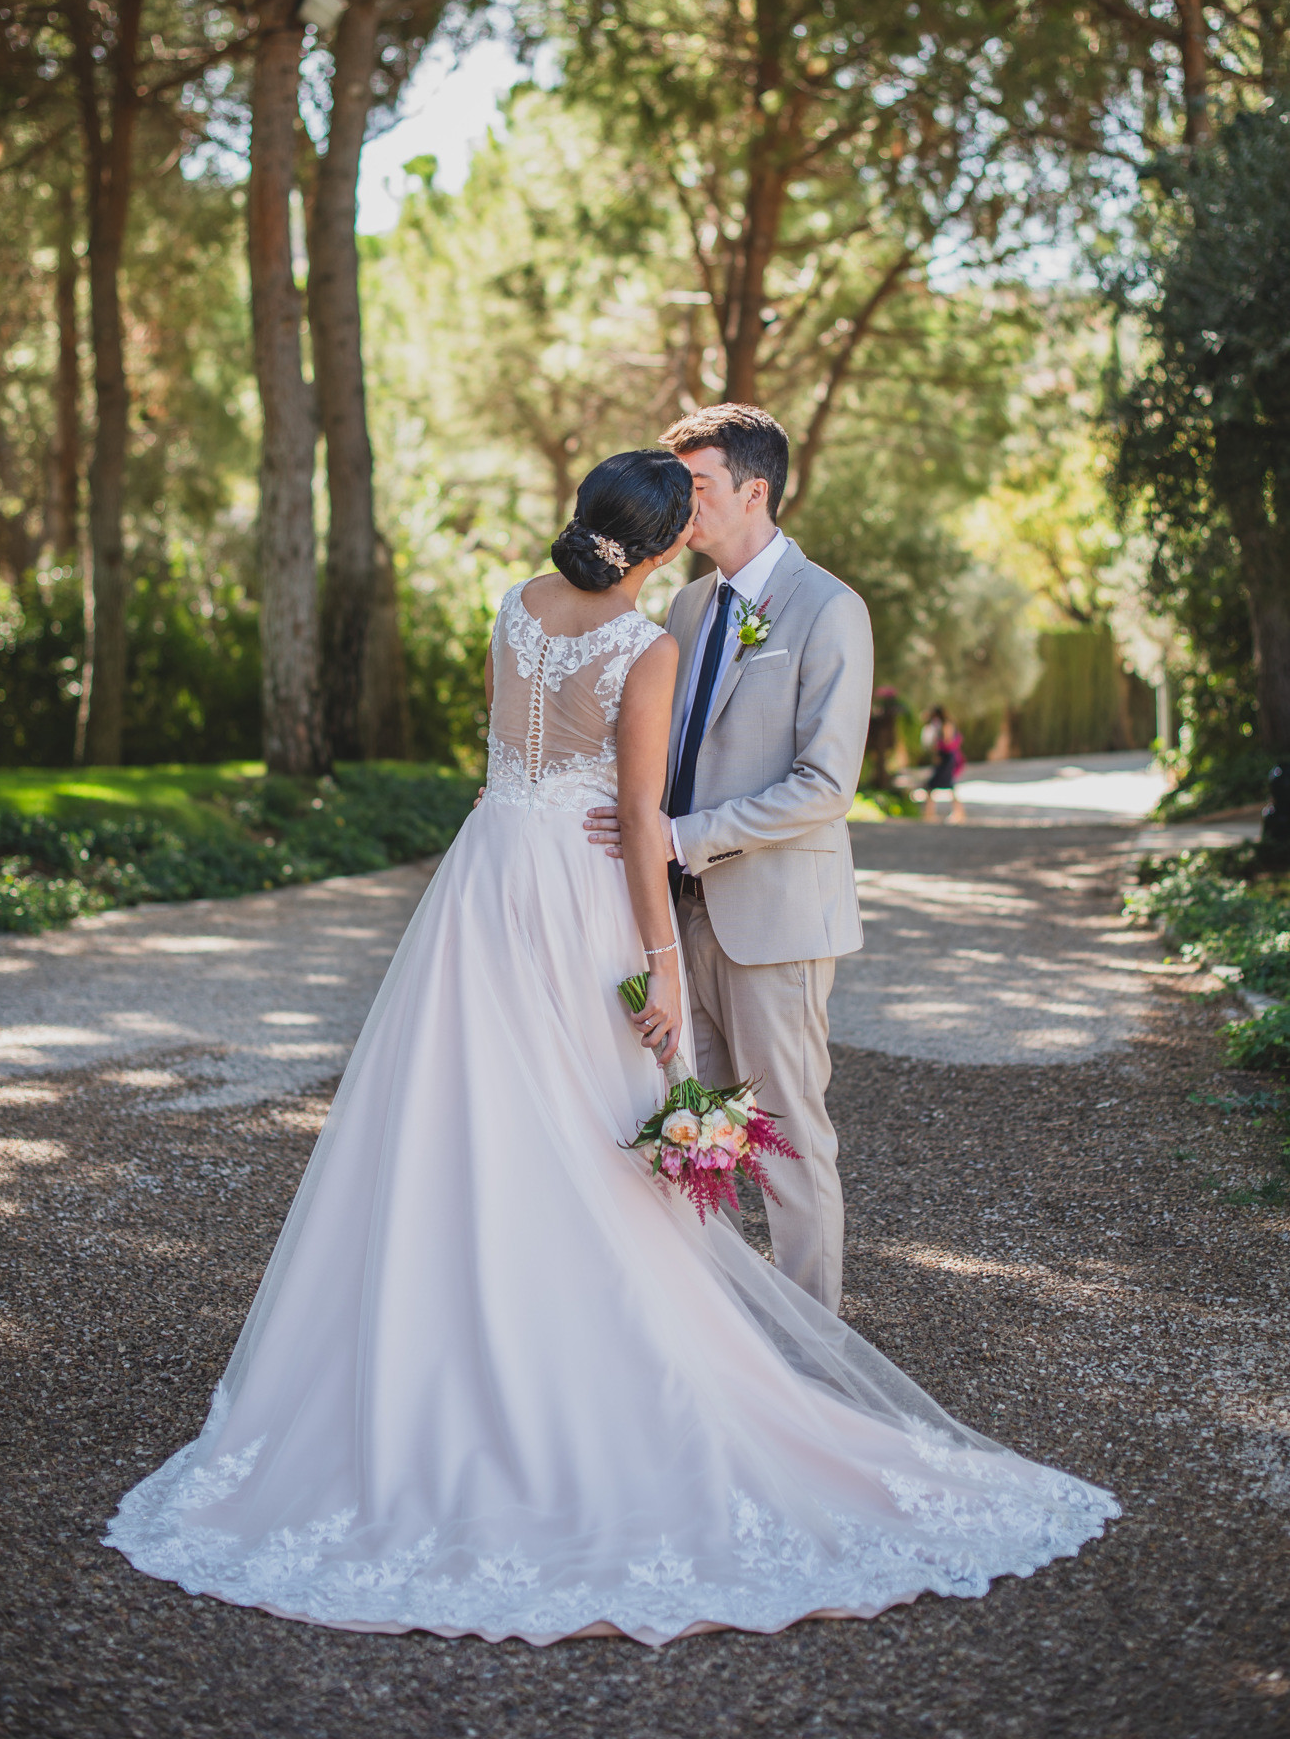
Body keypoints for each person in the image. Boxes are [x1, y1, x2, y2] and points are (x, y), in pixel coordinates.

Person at [105, 448, 1117, 1646]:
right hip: (585, 894)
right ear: (656, 544)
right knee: (596, 1116)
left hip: (485, 886)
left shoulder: (516, 610)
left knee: (465, 1110)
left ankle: (462, 1344)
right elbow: (637, 820)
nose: (694, 518)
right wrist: (665, 969)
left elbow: (535, 763)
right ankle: (642, 1368)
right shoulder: (650, 638)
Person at [586, 403, 869, 1314]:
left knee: (787, 1143)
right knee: (689, 1133)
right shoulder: (686, 604)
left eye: (695, 486)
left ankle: (816, 1357)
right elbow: (663, 756)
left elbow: (825, 784)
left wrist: (682, 836)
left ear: (755, 491)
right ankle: (717, 1349)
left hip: (773, 921)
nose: (678, 505)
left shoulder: (830, 609)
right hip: (676, 921)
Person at [922, 705, 967, 824]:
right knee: (942, 786)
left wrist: (937, 746)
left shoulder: (945, 725)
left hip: (946, 759)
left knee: (936, 786)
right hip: (946, 758)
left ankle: (931, 814)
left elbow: (947, 741)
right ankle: (931, 813)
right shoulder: (942, 725)